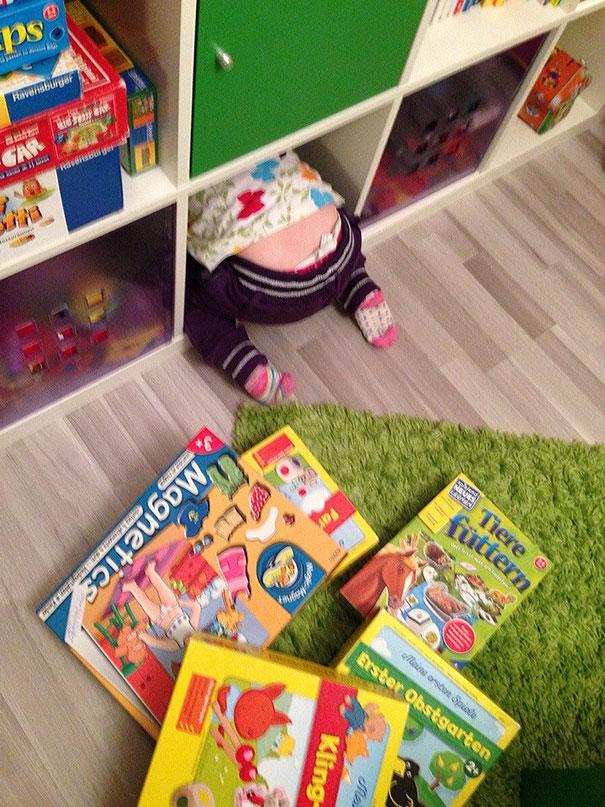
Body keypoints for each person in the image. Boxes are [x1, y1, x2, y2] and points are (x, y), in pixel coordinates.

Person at [186, 151, 398, 404]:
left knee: (185, 290)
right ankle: (355, 282)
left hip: (274, 292)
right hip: (344, 250)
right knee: (321, 214)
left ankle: (241, 360)